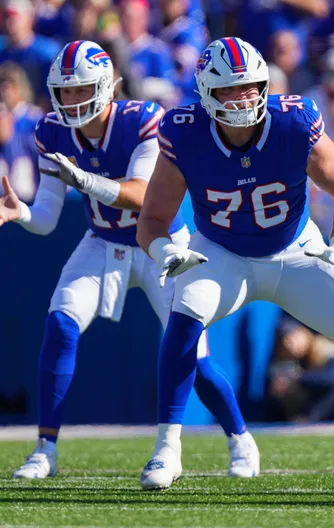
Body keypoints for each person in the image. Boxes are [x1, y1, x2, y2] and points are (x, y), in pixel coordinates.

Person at [135, 37, 334, 492]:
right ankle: (167, 449)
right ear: (207, 95)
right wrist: (163, 251)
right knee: (185, 313)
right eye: (231, 90)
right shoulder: (184, 130)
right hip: (221, 252)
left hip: (296, 250)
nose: (244, 98)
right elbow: (152, 218)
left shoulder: (293, 120)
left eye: (251, 87)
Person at [0, 40, 258, 480]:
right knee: (60, 323)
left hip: (162, 246)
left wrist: (85, 178)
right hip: (102, 242)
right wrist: (19, 212)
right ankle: (45, 449)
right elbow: (45, 218)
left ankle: (240, 440)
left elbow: (141, 194)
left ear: (105, 86)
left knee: (192, 358)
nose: (72, 100)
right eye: (65, 91)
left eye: (81, 90)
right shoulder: (51, 131)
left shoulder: (142, 120)